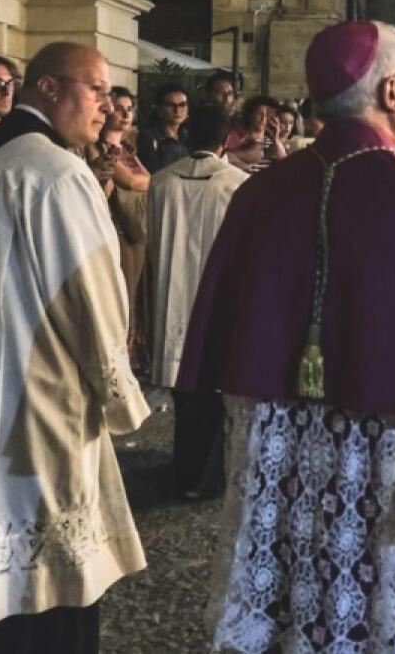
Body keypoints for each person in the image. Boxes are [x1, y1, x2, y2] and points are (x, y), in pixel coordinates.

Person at [176, 21, 395, 653]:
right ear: (392, 92)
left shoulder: (260, 195)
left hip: (287, 448)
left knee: (296, 587)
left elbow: (220, 328)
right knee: (388, 601)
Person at [0, 42, 150, 650]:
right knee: (51, 580)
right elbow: (93, 299)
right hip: (36, 404)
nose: (107, 107)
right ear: (48, 88)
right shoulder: (56, 173)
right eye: (97, 90)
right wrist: (122, 398)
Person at [148, 104, 247, 499]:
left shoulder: (160, 182)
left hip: (171, 293)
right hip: (217, 296)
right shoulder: (237, 183)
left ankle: (185, 469)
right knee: (214, 390)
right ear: (226, 142)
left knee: (184, 393)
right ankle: (208, 474)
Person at [87, 88, 152, 370]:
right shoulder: (97, 147)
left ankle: (132, 355)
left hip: (136, 226)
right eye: (120, 108)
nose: (126, 114)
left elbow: (144, 178)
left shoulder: (127, 147)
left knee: (135, 294)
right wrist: (154, 180)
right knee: (121, 292)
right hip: (117, 228)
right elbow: (134, 182)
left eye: (130, 108)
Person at [137, 82, 190, 172]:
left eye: (182, 105)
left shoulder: (188, 136)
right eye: (171, 105)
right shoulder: (148, 136)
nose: (177, 110)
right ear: (159, 109)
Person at [224, 95, 286, 170]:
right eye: (259, 113)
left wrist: (276, 140)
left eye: (268, 115)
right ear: (250, 115)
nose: (264, 118)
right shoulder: (237, 139)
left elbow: (286, 164)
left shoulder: (274, 143)